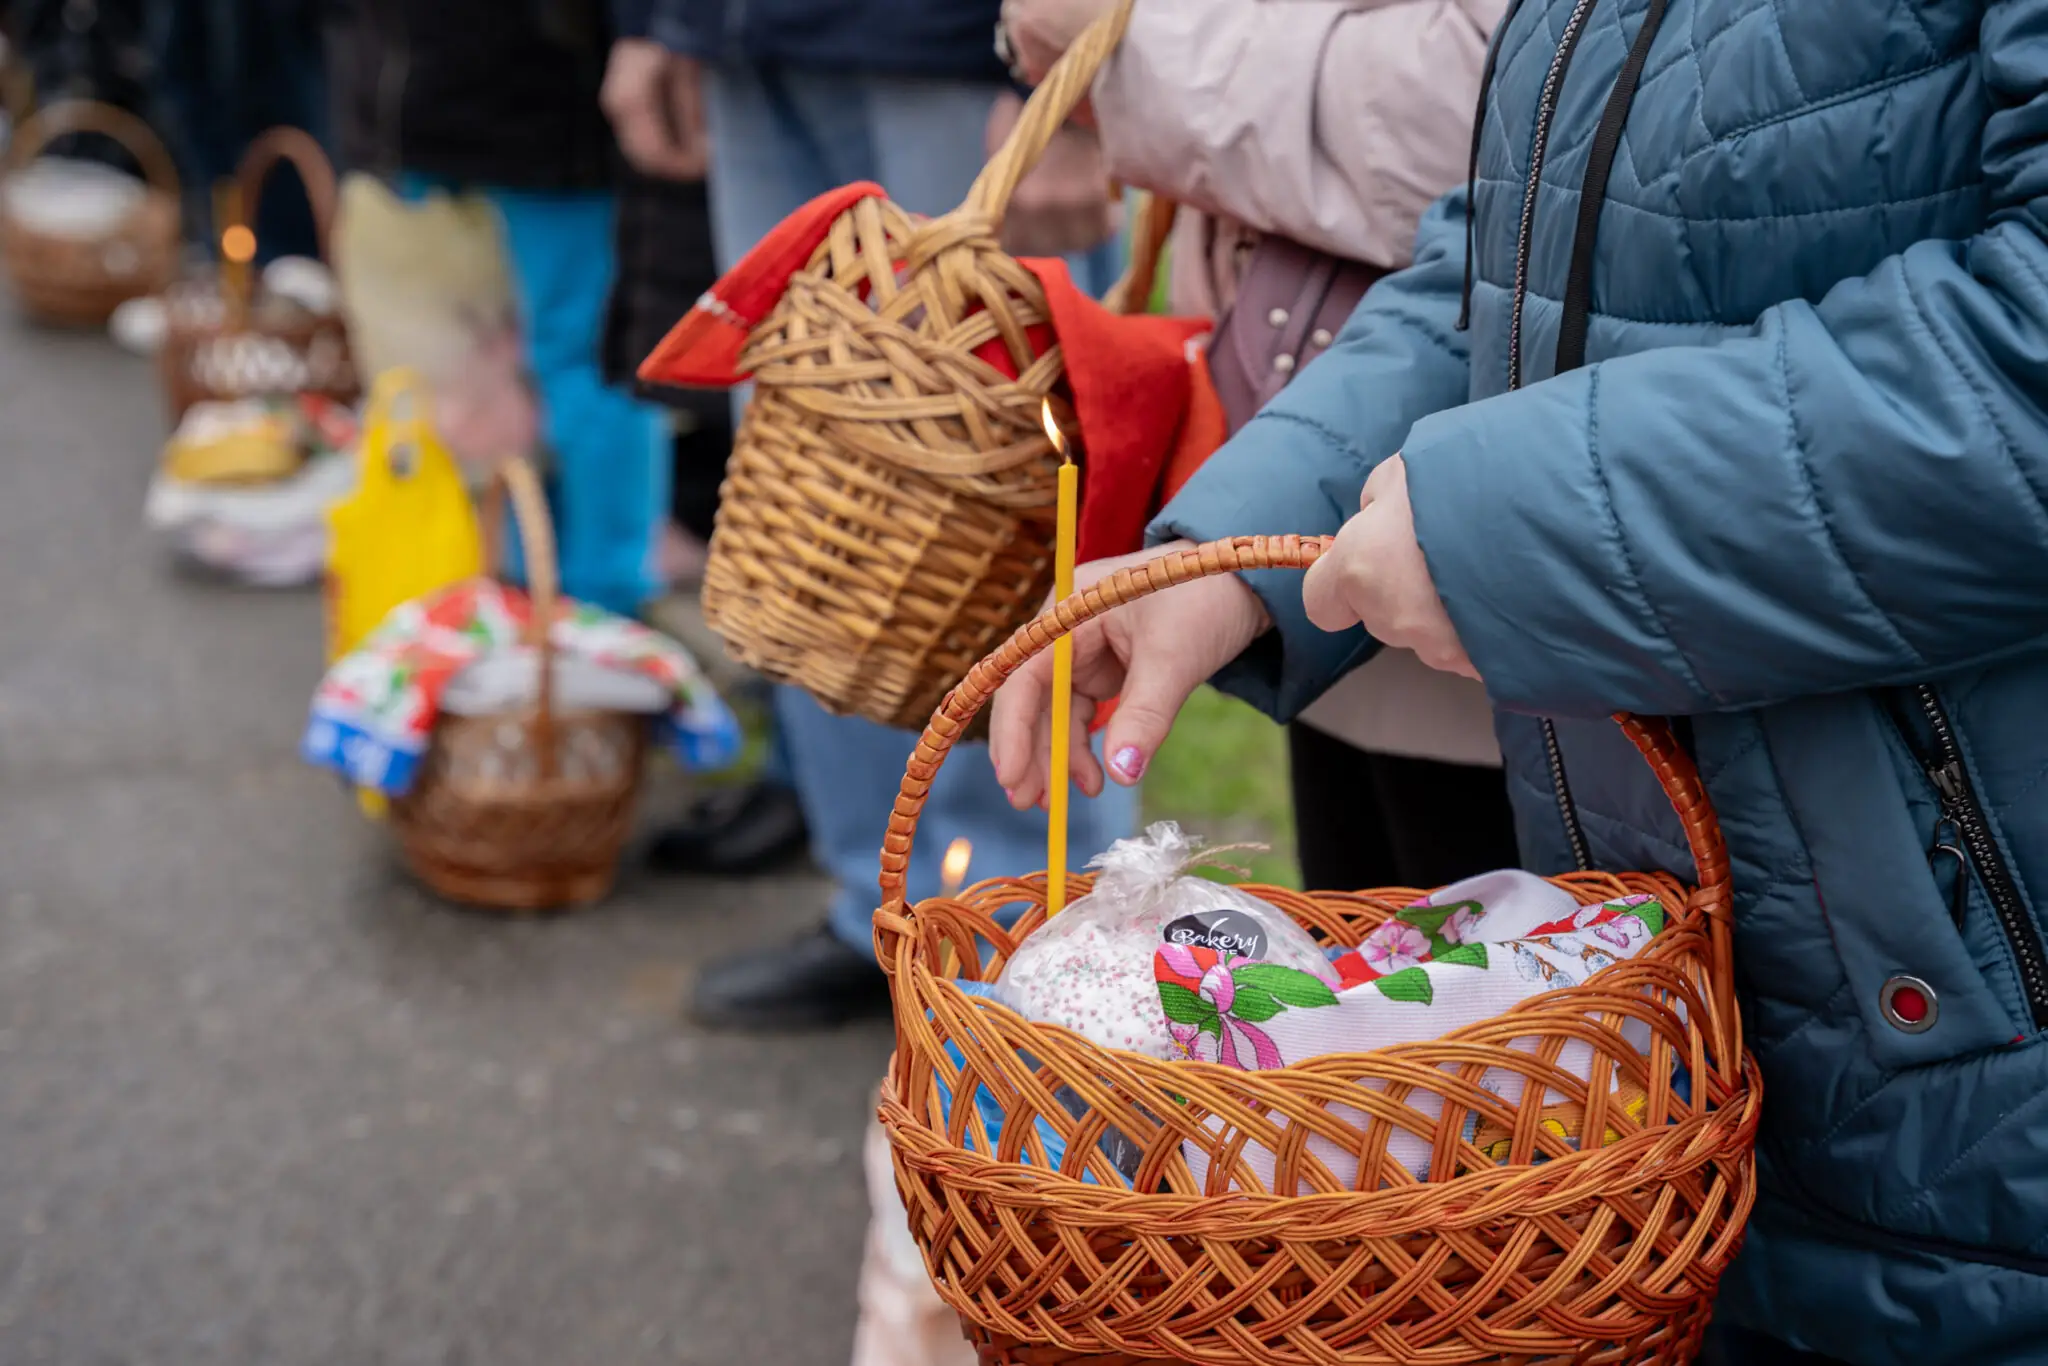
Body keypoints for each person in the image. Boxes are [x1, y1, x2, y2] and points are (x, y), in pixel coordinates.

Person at [991, 1, 2048, 1361]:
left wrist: (1505, 523)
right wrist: (1230, 552)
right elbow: (1513, 256)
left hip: (1970, 1043)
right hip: (1681, 1016)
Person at [622, 0, 1137, 1030]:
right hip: (753, 33)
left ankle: (1041, 946)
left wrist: (1067, 80)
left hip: (958, 40)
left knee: (991, 463)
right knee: (825, 477)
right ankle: (882, 910)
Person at [1002, 0, 1514, 891]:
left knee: (1494, 961)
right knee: (1363, 952)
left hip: (1489, 555)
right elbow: (1488, 245)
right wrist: (1228, 557)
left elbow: (1489, 135)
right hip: (1312, 454)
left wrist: (1137, 59)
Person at [324, 0, 669, 619]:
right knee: (485, 375)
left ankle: (603, 609)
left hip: (541, 97)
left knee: (584, 356)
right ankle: (512, 588)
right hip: (430, 98)